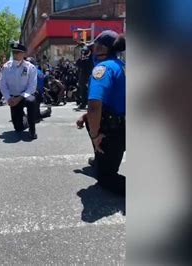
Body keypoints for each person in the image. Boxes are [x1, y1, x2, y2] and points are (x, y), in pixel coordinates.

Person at [76, 30, 126, 195]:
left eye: (92, 48)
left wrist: (96, 135)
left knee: (106, 178)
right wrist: (87, 116)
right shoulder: (122, 66)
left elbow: (94, 106)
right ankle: (101, 158)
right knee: (89, 119)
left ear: (100, 48)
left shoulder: (102, 69)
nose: (91, 52)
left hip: (114, 131)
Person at [0, 42, 38, 139]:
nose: (15, 55)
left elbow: (32, 86)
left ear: (24, 54)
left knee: (31, 101)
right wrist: (8, 98)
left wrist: (20, 98)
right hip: (13, 97)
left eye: (18, 52)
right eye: (14, 52)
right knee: (18, 128)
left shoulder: (30, 67)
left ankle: (32, 130)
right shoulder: (6, 67)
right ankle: (23, 117)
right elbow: (2, 84)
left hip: (25, 96)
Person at [26, 57, 52, 122]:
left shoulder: (30, 72)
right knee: (36, 114)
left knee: (34, 116)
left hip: (33, 95)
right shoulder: (39, 72)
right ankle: (47, 112)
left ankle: (46, 112)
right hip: (39, 95)